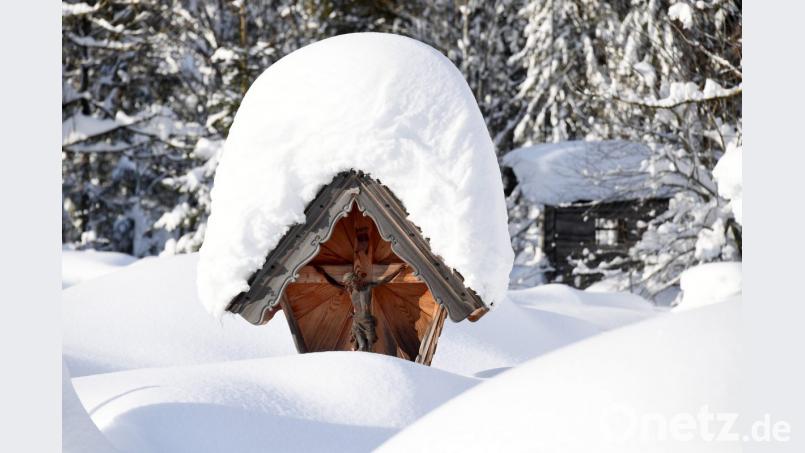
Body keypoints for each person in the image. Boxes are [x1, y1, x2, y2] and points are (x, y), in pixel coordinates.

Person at [315, 263, 407, 351]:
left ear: (356, 280)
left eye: (351, 283)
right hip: (357, 322)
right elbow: (335, 284)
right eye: (349, 284)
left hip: (368, 321)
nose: (351, 285)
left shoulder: (368, 287)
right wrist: (324, 274)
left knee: (370, 346)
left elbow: (384, 280)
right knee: (362, 346)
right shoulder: (350, 291)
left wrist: (397, 271)